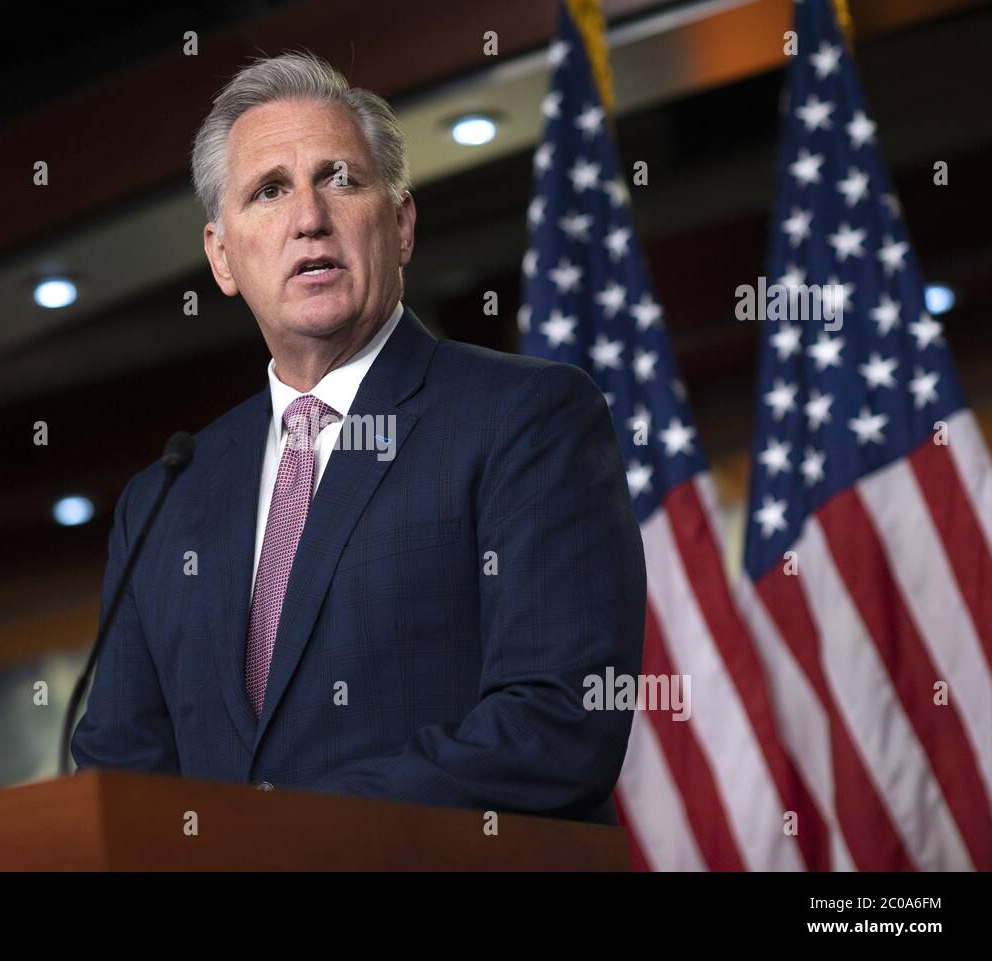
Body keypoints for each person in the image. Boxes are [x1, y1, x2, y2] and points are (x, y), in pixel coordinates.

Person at [71, 51, 645, 824]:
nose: (308, 216)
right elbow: (123, 781)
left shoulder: (528, 417)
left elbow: (559, 723)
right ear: (222, 257)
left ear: (401, 223)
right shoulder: (164, 498)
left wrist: (287, 832)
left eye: (340, 178)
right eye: (268, 191)